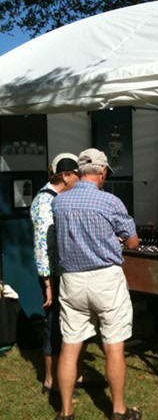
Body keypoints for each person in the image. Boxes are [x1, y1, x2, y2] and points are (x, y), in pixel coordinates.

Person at [52, 148, 141, 420]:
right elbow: (133, 243)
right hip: (105, 279)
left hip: (72, 280)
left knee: (70, 344)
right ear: (102, 172)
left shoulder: (59, 203)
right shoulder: (110, 201)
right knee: (113, 344)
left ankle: (65, 414)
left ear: (79, 171)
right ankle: (117, 411)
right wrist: (113, 238)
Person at [30, 152, 80, 394]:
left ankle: (67, 374)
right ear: (65, 176)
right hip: (51, 273)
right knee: (52, 323)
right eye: (76, 176)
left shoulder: (61, 197)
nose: (79, 180)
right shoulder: (44, 202)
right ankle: (50, 379)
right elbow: (42, 246)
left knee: (66, 323)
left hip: (63, 270)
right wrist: (48, 282)